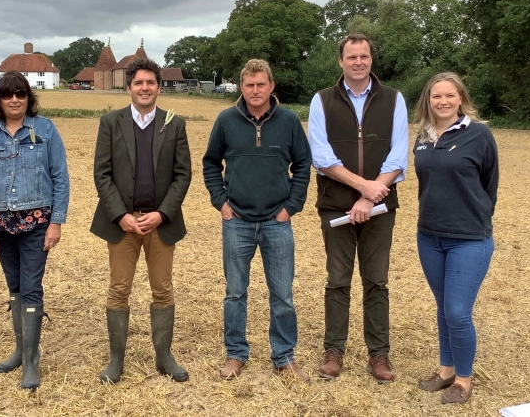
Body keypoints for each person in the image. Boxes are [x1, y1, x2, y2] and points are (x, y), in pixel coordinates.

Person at [307, 33, 409, 383]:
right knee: (338, 280)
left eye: (364, 56)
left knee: (376, 281)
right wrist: (362, 187)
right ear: (340, 61)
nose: (358, 62)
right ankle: (333, 350)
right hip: (335, 205)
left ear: (371, 60)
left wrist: (370, 197)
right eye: (351, 57)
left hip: (381, 209)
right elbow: (321, 158)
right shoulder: (322, 101)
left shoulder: (394, 99)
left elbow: (398, 155)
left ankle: (378, 355)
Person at [202, 59, 312, 381]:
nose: (255, 90)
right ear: (242, 87)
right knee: (235, 292)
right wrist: (221, 202)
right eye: (249, 85)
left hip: (277, 222)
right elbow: (211, 163)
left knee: (282, 294)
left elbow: (303, 166)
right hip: (236, 220)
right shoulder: (226, 120)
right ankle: (236, 354)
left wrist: (291, 207)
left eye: (261, 84)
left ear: (271, 86)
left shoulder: (289, 121)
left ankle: (284, 356)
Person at [0, 71, 70, 390]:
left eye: (21, 94)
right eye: (8, 94)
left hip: (37, 224)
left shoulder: (45, 130)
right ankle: (20, 350)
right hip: (0, 226)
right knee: (15, 288)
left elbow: (61, 179)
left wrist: (56, 223)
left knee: (31, 287)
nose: (14, 99)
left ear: (29, 97)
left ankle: (31, 360)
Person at [90, 58, 192, 384]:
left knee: (162, 290)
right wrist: (120, 215)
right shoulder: (111, 122)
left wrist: (162, 213)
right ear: (129, 87)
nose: (144, 88)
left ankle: (164, 356)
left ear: (159, 87)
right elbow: (101, 174)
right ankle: (116, 360)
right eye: (138, 83)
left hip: (160, 222)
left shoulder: (174, 124)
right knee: (119, 290)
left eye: (150, 83)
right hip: (123, 224)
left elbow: (182, 175)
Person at [412, 72, 498, 404]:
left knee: (458, 310)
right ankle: (445, 370)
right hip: (430, 237)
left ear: (460, 98)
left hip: (469, 238)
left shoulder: (479, 135)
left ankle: (463, 379)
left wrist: (473, 218)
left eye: (450, 95)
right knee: (443, 307)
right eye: (436, 96)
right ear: (428, 101)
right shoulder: (423, 135)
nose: (443, 101)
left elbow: (490, 184)